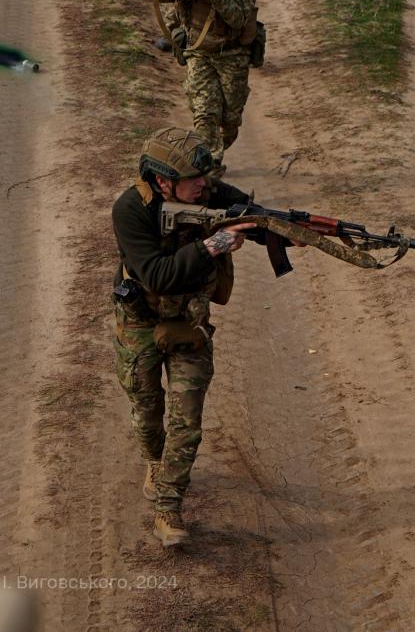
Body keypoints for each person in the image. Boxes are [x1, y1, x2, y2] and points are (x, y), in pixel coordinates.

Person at [111, 127, 256, 547]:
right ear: (163, 181)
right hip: (140, 322)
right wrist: (215, 245)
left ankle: (168, 508)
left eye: (204, 177)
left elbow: (255, 216)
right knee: (146, 409)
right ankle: (155, 461)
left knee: (186, 421)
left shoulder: (209, 192)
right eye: (193, 179)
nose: (203, 185)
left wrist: (285, 232)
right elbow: (158, 275)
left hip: (189, 324)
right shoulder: (130, 209)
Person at [147, 0, 258, 179]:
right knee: (205, 112)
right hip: (198, 51)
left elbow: (238, 18)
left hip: (233, 53)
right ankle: (208, 169)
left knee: (230, 121)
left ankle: (213, 151)